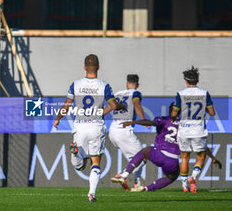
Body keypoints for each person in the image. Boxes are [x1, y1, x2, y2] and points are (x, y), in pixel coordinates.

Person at [53, 54, 125, 202]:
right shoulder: (104, 85)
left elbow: (67, 104)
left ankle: (76, 153)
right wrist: (108, 110)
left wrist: (57, 119)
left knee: (79, 166)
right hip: (96, 127)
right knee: (95, 162)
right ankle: (91, 194)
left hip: (79, 127)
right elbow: (113, 106)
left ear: (85, 67)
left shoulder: (76, 84)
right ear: (98, 67)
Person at [112, 103, 180, 192]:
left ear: (169, 110)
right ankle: (146, 189)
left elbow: (151, 122)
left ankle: (124, 174)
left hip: (161, 154)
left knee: (144, 151)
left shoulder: (164, 119)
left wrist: (133, 122)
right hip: (173, 160)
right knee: (172, 177)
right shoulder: (184, 124)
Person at [172, 66, 216, 193]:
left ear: (186, 81)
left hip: (184, 130)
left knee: (184, 157)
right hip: (198, 130)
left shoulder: (181, 94)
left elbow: (174, 113)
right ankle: (194, 177)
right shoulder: (204, 93)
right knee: (201, 157)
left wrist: (175, 115)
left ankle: (184, 185)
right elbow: (212, 112)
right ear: (197, 80)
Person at [109, 74, 146, 188]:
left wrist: (99, 115)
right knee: (143, 158)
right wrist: (144, 120)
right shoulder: (135, 93)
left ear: (126, 84)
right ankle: (122, 175)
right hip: (124, 130)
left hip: (112, 130)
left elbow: (111, 106)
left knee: (133, 159)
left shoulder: (117, 94)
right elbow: (136, 105)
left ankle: (136, 183)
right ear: (138, 85)